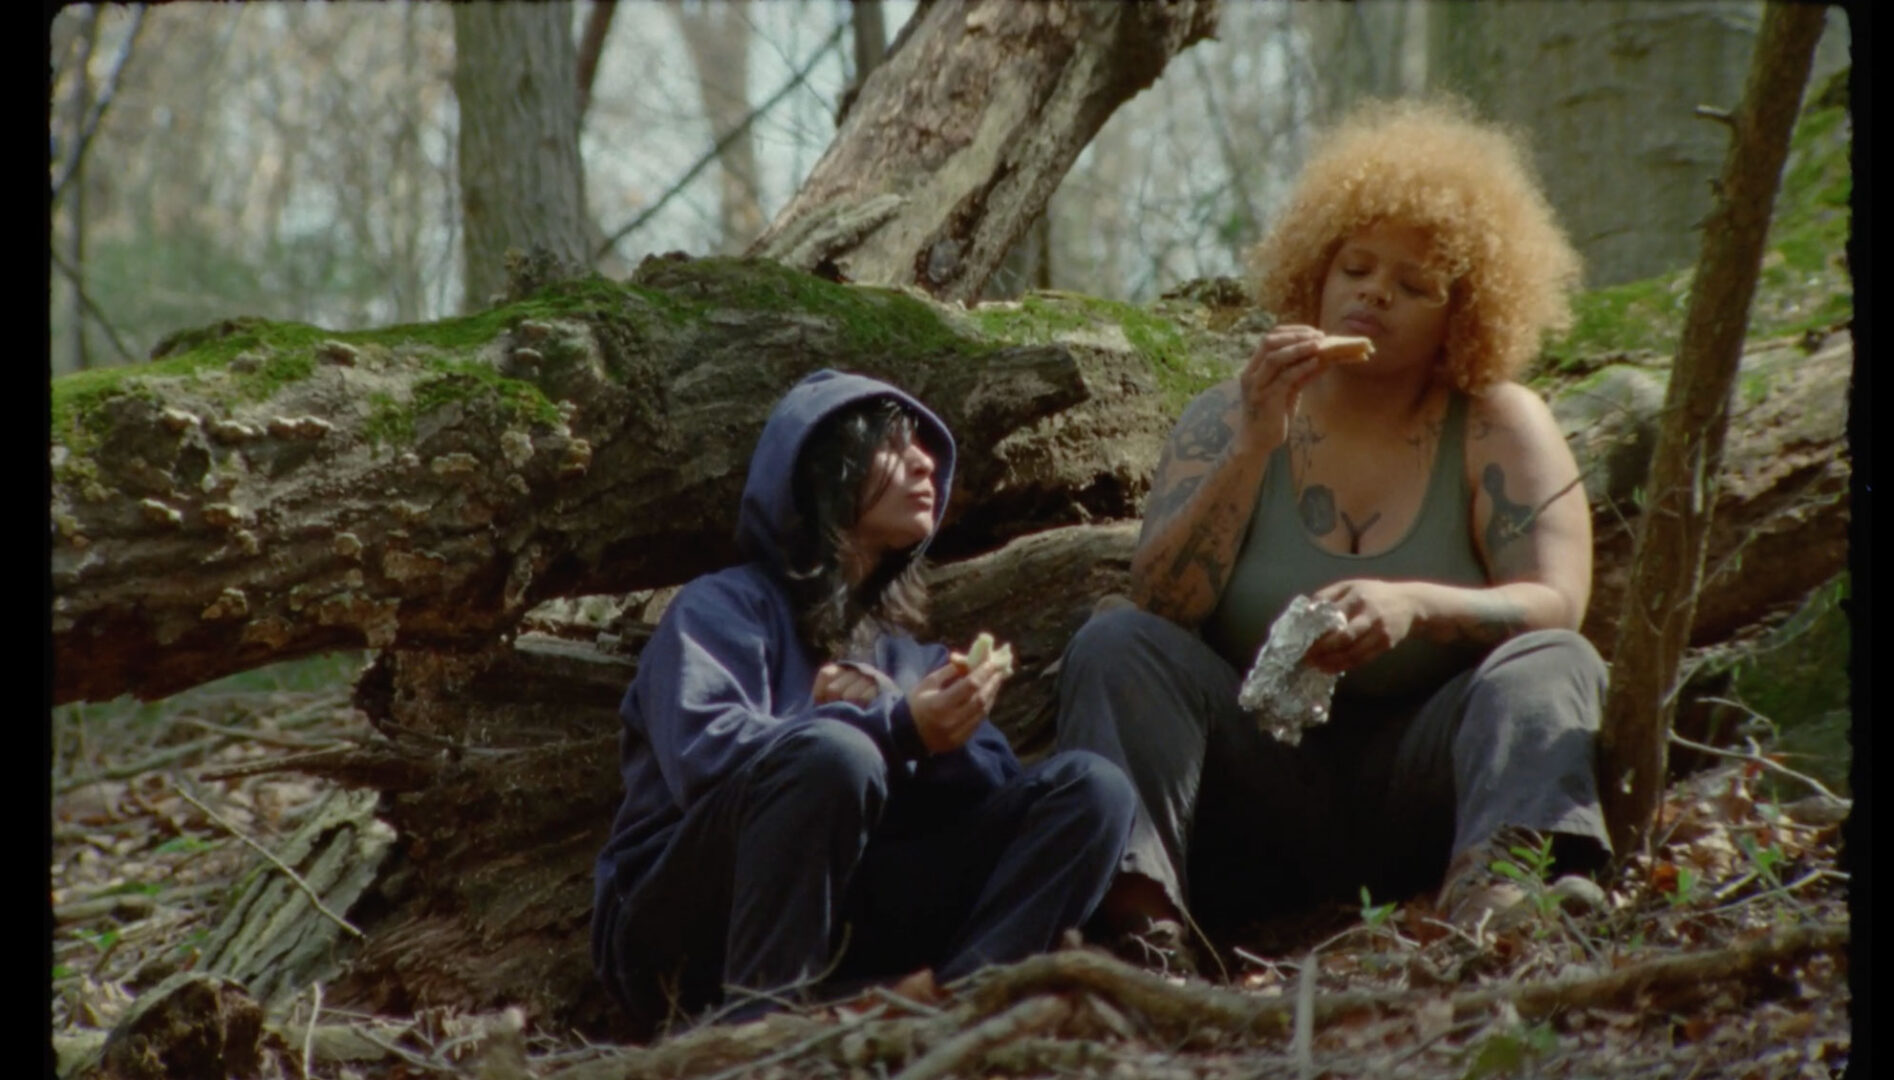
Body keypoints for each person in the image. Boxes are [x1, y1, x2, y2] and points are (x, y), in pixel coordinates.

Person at [1055, 97, 1608, 963]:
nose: (1374, 293)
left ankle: (1503, 906)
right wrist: (1251, 446)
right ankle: (1143, 929)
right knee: (1114, 641)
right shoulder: (1227, 418)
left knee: (1554, 663)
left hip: (1429, 795)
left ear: (1464, 316)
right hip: (1252, 792)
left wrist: (1415, 604)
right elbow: (1160, 602)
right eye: (1355, 266)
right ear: (1314, 271)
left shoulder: (1500, 424)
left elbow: (1559, 603)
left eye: (1414, 284)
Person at [593, 369, 1135, 1036]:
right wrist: (889, 727)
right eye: (891, 445)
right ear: (822, 471)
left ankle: (963, 1009)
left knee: (1094, 789)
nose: (924, 460)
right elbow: (703, 757)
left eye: (926, 450)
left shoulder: (914, 661)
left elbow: (998, 792)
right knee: (833, 751)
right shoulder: (722, 609)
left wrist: (939, 737)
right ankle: (759, 1033)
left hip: (854, 924)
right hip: (683, 941)